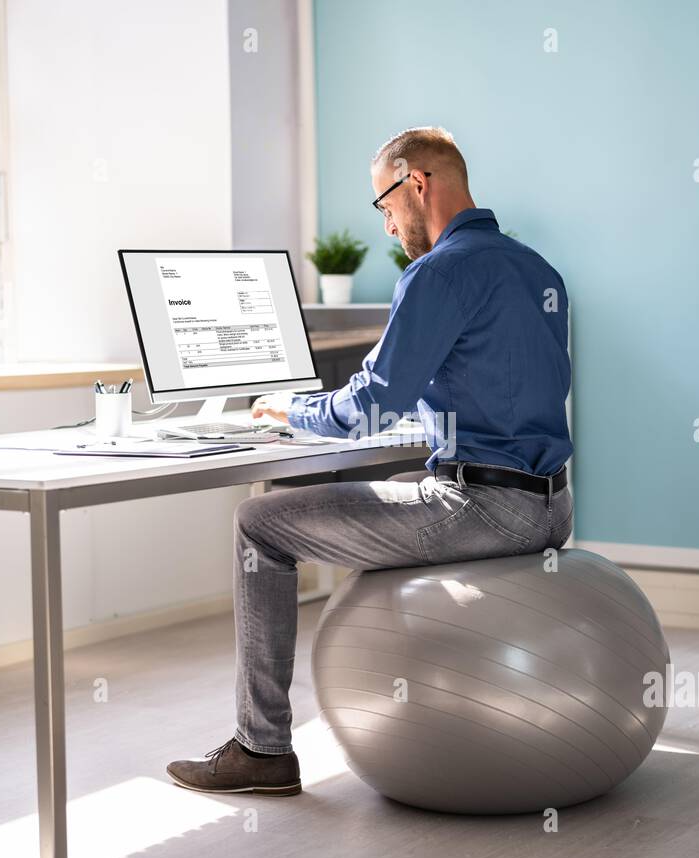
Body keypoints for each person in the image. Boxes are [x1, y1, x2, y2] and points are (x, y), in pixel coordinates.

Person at [166, 126, 573, 796]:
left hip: (486, 510)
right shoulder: (535, 268)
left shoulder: (438, 271)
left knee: (259, 524)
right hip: (549, 505)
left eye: (384, 204)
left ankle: (261, 749)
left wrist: (287, 410)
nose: (386, 226)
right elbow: (495, 392)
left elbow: (371, 405)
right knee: (393, 482)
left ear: (417, 183)